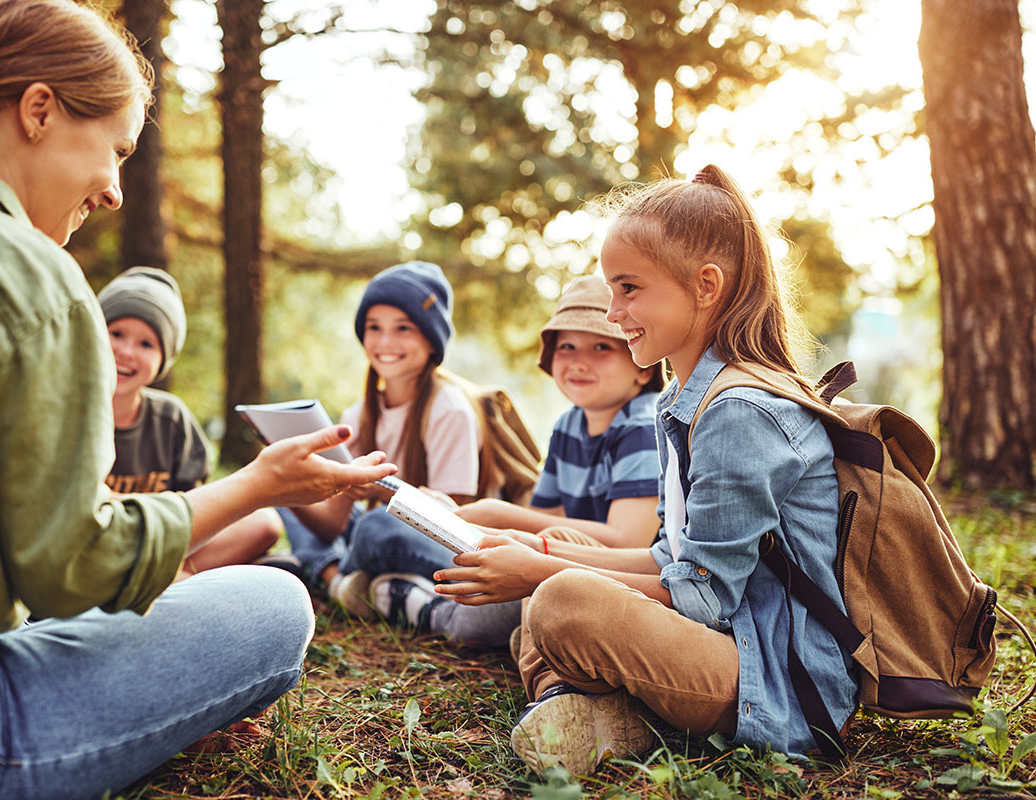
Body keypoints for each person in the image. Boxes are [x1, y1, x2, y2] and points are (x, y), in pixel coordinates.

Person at [0, 3, 396, 799]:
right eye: (117, 150)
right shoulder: (27, 274)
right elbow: (73, 565)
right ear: (38, 110)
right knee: (273, 604)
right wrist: (262, 485)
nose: (116, 191)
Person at [431, 165, 857, 774]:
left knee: (557, 600)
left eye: (628, 288)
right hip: (712, 647)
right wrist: (535, 550)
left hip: (772, 680)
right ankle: (598, 713)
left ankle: (593, 706)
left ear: (706, 286)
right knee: (552, 573)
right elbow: (667, 557)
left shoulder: (740, 412)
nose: (612, 312)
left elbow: (703, 594)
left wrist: (540, 571)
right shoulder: (684, 403)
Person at [366, 274, 664, 644]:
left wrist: (498, 514)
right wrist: (468, 516)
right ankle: (405, 587)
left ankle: (424, 607)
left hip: (612, 579)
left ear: (643, 367)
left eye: (601, 348)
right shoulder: (569, 424)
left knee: (480, 617)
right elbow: (552, 516)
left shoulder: (642, 424)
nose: (578, 362)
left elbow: (626, 541)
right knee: (383, 524)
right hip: (561, 558)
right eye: (567, 346)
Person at [280, 260, 483, 615]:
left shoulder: (449, 410)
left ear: (430, 340)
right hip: (363, 538)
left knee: (376, 527)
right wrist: (287, 481)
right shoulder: (358, 415)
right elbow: (331, 524)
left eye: (403, 328)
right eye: (374, 328)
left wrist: (383, 490)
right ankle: (338, 579)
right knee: (286, 499)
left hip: (426, 542)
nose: (386, 342)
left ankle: (328, 573)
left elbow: (455, 521)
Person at [99, 266, 283, 576]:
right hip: (99, 549)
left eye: (146, 344)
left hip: (166, 545)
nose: (126, 352)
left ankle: (174, 578)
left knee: (264, 523)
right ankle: (182, 581)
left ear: (163, 361)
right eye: (116, 334)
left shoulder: (171, 420)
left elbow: (198, 510)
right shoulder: (69, 410)